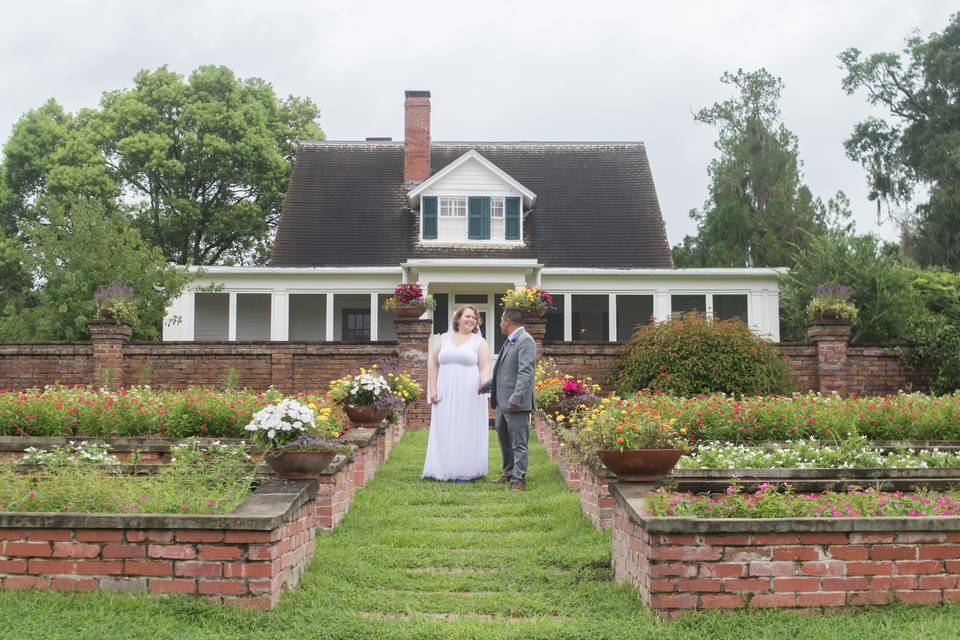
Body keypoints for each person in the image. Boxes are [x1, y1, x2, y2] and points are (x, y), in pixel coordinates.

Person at [421, 305, 491, 482]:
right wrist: (433, 389)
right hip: (445, 391)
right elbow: (433, 364)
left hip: (470, 392)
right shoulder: (443, 339)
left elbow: (485, 367)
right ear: (458, 318)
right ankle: (442, 468)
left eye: (474, 318)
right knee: (445, 427)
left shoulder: (479, 342)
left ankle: (465, 471)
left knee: (466, 428)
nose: (471, 320)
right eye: (467, 316)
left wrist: (484, 385)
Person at [478, 307, 536, 491]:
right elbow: (503, 372)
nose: (500, 324)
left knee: (519, 442)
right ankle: (508, 472)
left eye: (501, 320)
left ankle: (519, 480)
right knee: (504, 441)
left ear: (508, 321)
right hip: (502, 403)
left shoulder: (526, 341)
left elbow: (525, 373)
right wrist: (486, 386)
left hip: (515, 403)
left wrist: (516, 398)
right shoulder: (510, 341)